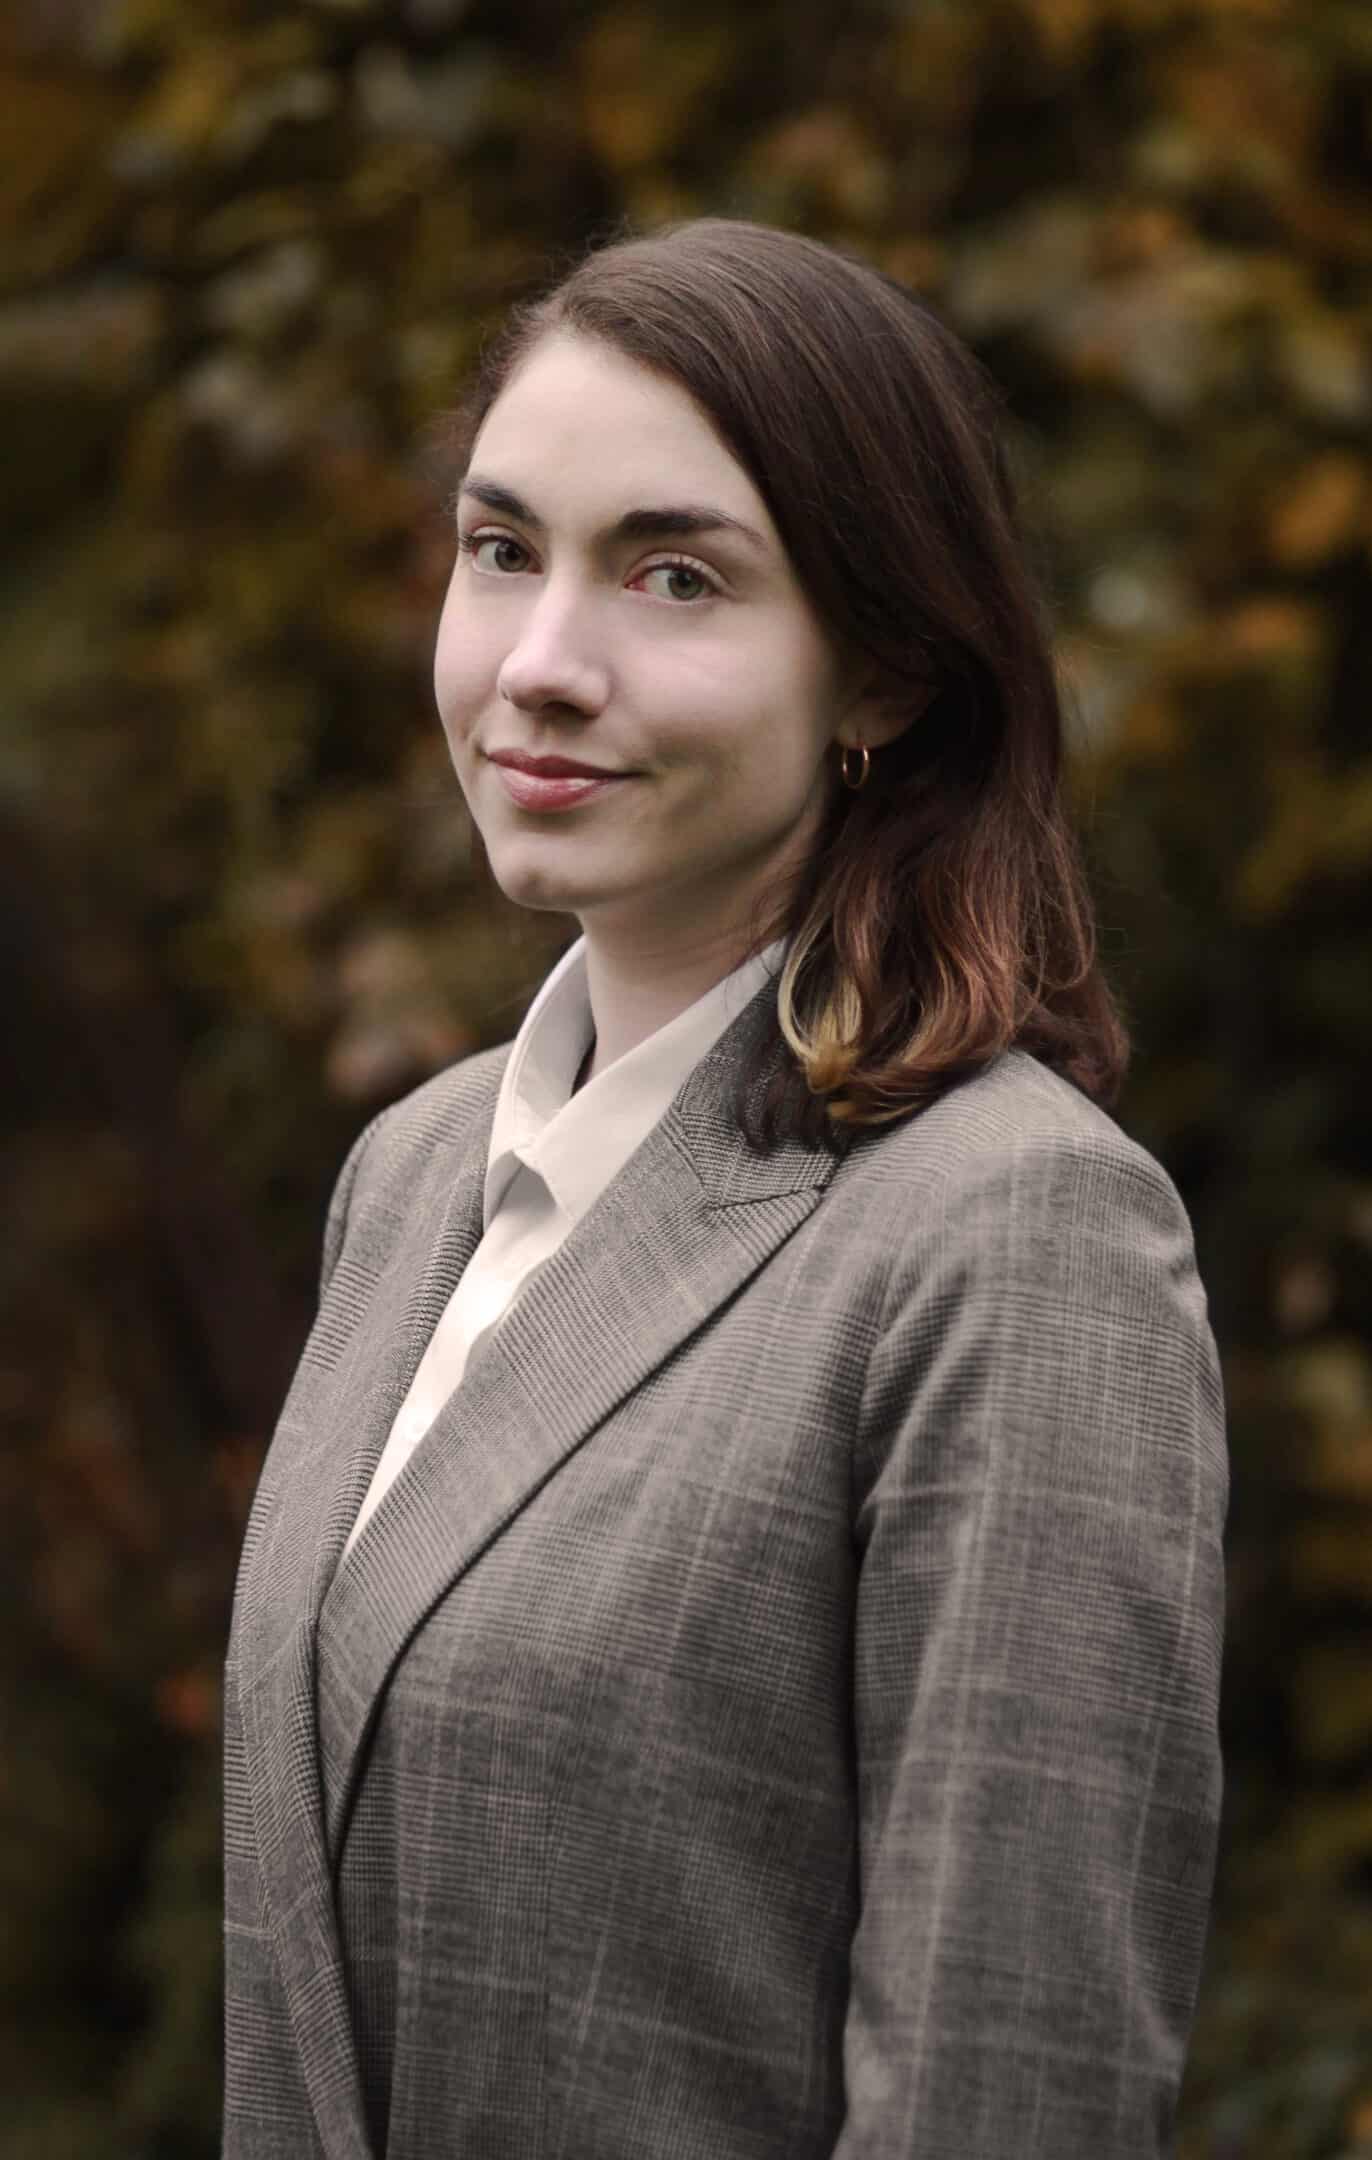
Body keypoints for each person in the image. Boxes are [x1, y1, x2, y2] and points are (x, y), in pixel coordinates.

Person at [223, 217, 1228, 2160]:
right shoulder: (414, 1176)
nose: (540, 663)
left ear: (886, 676)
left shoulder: (1014, 1238)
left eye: (674, 575)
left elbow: (1003, 2097)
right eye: (501, 549)